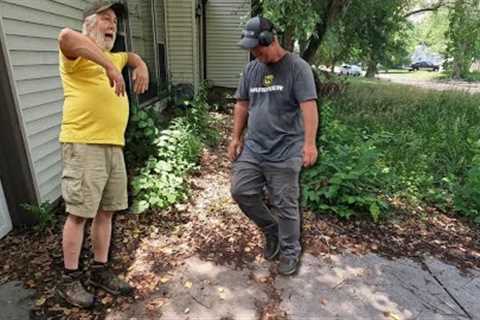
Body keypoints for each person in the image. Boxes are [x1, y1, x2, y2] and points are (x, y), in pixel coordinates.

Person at [56, 0, 149, 308]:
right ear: (89, 24)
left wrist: (140, 65)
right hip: (84, 143)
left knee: (107, 212)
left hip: (113, 146)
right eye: (106, 18)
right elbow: (66, 36)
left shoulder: (115, 55)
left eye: (115, 22)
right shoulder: (75, 55)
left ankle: (99, 269)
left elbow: (132, 55)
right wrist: (109, 66)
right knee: (80, 213)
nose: (113, 25)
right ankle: (68, 281)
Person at [229, 16, 319, 276]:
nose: (255, 53)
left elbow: (309, 106)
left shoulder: (297, 68)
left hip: (286, 149)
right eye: (252, 50)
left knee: (285, 204)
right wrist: (236, 137)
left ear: (271, 39)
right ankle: (272, 231)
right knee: (241, 191)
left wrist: (309, 143)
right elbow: (242, 104)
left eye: (258, 48)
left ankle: (291, 251)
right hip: (255, 148)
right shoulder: (252, 70)